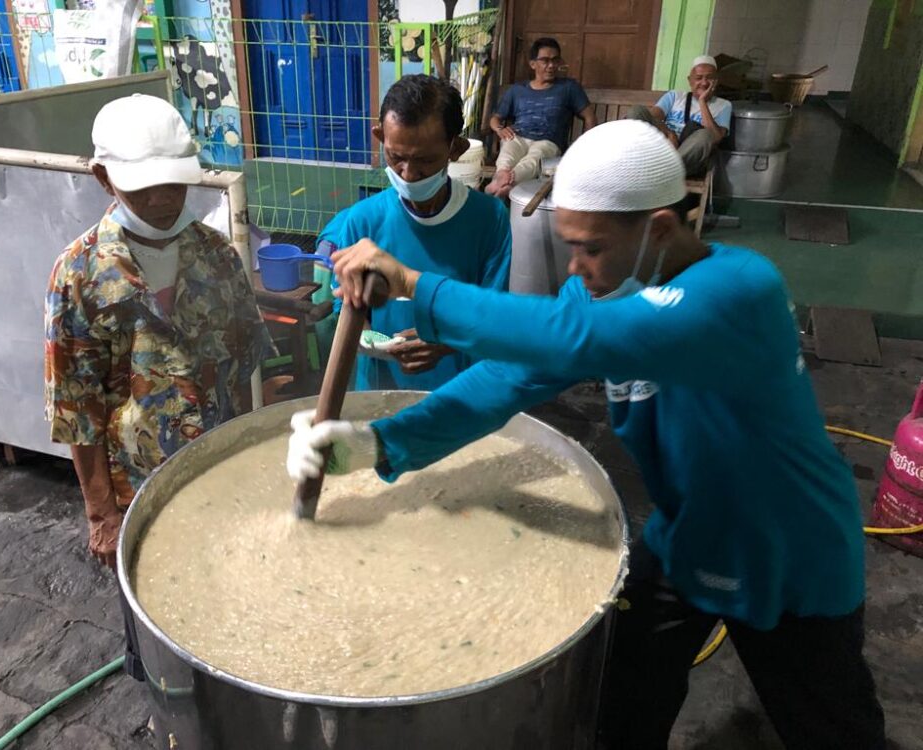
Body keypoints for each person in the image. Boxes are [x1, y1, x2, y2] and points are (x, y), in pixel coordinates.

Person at [287, 120, 887, 749]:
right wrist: (381, 443)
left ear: (657, 229)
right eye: (567, 244)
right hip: (690, 539)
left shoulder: (739, 291)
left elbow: (574, 337)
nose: (574, 268)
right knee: (621, 706)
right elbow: (510, 377)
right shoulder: (602, 292)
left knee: (830, 727)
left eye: (590, 248)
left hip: (790, 557)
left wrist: (413, 284)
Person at [45, 94, 271, 677]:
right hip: (139, 490)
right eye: (145, 188)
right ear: (103, 177)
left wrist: (262, 464)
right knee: (156, 631)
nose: (166, 199)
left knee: (231, 607)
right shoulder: (81, 273)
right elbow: (77, 407)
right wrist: (101, 513)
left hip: (222, 477)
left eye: (175, 184)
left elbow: (247, 371)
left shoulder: (217, 257)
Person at [322, 74, 511, 392]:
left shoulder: (488, 219)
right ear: (380, 137)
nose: (408, 174)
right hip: (379, 394)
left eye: (425, 160)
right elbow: (348, 312)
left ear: (456, 148)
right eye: (396, 157)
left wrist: (445, 344)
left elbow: (493, 314)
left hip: (458, 393)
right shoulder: (362, 222)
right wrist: (378, 345)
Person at [486, 37, 596, 198]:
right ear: (533, 64)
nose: (551, 65)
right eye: (545, 60)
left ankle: (507, 181)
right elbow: (495, 118)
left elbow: (589, 117)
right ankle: (502, 178)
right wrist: (499, 130)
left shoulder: (569, 88)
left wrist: (584, 147)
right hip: (518, 135)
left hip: (549, 140)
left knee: (535, 158)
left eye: (555, 60)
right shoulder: (517, 90)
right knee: (507, 151)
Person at [628, 54, 731, 177]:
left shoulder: (724, 105)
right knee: (637, 111)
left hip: (689, 157)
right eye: (699, 78)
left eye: (709, 78)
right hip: (663, 147)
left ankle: (665, 172)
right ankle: (657, 167)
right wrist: (669, 133)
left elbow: (716, 137)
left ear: (716, 81)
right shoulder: (675, 96)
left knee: (706, 135)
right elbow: (651, 118)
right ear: (690, 80)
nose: (704, 83)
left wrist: (702, 101)